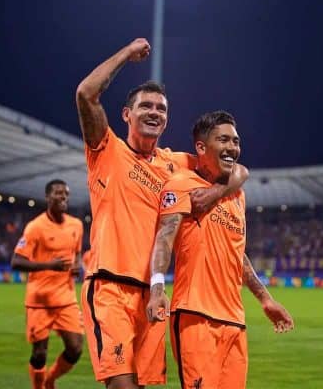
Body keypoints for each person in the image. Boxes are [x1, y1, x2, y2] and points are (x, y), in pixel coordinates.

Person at [75, 38, 248, 389]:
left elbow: (232, 165)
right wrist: (126, 54)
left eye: (162, 108)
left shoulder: (175, 163)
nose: (155, 112)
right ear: (126, 114)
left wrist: (234, 181)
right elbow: (85, 94)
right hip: (110, 287)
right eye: (146, 106)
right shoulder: (106, 149)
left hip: (153, 295)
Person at [146, 110, 294, 389]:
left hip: (235, 321)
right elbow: (164, 238)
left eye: (236, 141)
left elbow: (237, 253)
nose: (232, 148)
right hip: (196, 316)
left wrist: (265, 299)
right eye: (223, 140)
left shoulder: (236, 194)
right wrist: (157, 288)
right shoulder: (181, 184)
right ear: (201, 147)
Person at [11, 179, 84, 389]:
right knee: (39, 353)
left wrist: (77, 266)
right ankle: (39, 386)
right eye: (58, 193)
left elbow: (77, 253)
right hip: (39, 301)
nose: (63, 197)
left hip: (65, 299)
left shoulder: (76, 225)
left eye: (66, 194)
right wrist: (49, 265)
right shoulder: (35, 227)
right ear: (47, 197)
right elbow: (16, 262)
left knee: (75, 348)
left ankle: (50, 380)